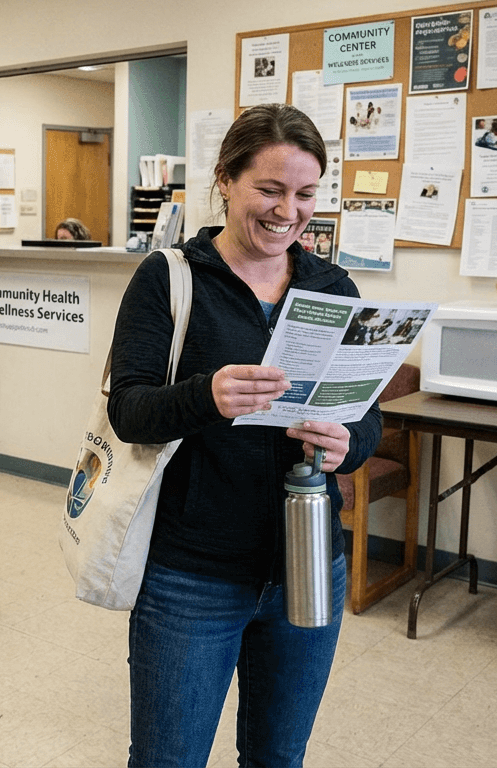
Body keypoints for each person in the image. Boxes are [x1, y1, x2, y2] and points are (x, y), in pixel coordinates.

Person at [107, 103, 382, 767]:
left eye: (306, 193)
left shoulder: (331, 285)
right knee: (168, 759)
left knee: (278, 756)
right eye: (270, 188)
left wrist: (352, 441)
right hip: (191, 574)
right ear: (226, 180)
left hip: (307, 562)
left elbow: (364, 413)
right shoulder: (170, 278)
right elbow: (130, 410)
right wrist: (208, 396)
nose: (288, 211)